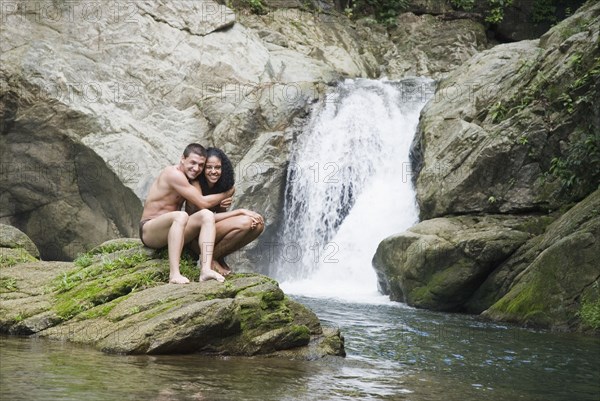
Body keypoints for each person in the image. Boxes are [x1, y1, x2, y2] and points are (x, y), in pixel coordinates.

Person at [139, 143, 233, 284]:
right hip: (150, 230)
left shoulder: (191, 179)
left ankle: (206, 269)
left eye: (201, 165)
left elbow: (203, 207)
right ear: (183, 158)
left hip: (173, 230)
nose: (196, 168)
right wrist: (227, 193)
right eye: (193, 163)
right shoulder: (173, 174)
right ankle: (174, 274)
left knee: (206, 215)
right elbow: (202, 202)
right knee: (181, 215)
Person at [186, 147, 264, 276]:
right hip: (195, 237)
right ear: (203, 168)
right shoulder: (195, 184)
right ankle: (210, 259)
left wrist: (222, 207)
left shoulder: (225, 187)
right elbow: (204, 217)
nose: (213, 171)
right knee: (245, 222)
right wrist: (240, 211)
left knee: (257, 225)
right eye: (209, 167)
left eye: (217, 168)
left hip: (211, 232)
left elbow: (218, 216)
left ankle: (216, 256)